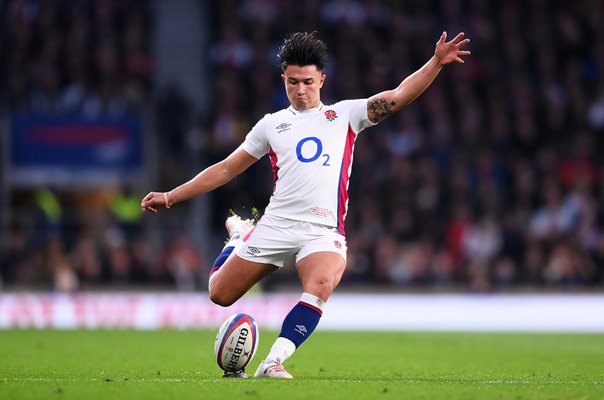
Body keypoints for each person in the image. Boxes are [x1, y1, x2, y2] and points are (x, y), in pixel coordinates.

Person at [141, 31, 470, 378]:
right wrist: (170, 196)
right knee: (219, 295)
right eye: (293, 82)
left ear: (322, 80)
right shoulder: (271, 125)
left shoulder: (345, 115)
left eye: (308, 82)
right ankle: (238, 238)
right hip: (276, 226)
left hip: (322, 231)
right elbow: (225, 169)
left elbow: (398, 96)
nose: (300, 90)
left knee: (322, 284)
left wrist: (435, 62)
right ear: (283, 78)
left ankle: (273, 361)